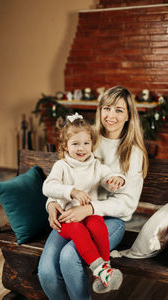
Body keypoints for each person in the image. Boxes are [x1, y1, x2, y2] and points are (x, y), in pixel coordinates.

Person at [38, 86, 148, 300]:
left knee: (70, 256)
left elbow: (127, 203)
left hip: (108, 220)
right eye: (106, 108)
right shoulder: (85, 137)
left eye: (119, 110)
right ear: (99, 111)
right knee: (47, 271)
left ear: (128, 115)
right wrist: (51, 204)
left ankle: (102, 273)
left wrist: (89, 208)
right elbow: (63, 176)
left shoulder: (133, 153)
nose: (111, 115)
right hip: (72, 216)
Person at [42, 113, 125, 293]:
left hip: (88, 215)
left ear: (92, 144)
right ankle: (99, 269)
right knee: (79, 231)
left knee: (98, 224)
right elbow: (48, 187)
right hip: (66, 219)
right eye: (75, 144)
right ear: (65, 146)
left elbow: (107, 176)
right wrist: (71, 191)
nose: (81, 148)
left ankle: (104, 272)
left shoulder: (96, 165)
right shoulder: (61, 166)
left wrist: (117, 179)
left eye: (86, 143)